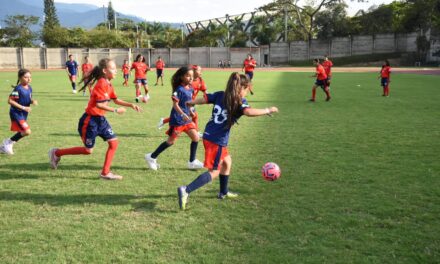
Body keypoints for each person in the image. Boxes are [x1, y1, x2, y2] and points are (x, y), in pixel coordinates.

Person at [177, 72, 279, 210]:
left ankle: (223, 192)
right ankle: (186, 190)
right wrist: (267, 109)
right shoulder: (239, 101)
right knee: (214, 171)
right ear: (242, 88)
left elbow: (205, 99)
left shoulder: (221, 94)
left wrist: (191, 102)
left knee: (227, 161)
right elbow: (249, 112)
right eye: (247, 90)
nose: (246, 93)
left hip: (210, 135)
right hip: (216, 140)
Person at [48, 58, 142, 180]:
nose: (116, 71)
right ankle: (56, 153)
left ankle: (105, 173)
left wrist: (131, 105)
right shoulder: (101, 83)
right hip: (90, 121)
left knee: (114, 143)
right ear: (104, 70)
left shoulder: (108, 83)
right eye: (113, 68)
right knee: (88, 151)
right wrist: (115, 110)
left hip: (100, 120)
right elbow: (99, 104)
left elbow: (116, 100)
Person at [145, 66, 203, 171]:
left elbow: (189, 103)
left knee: (196, 137)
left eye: (192, 76)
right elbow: (175, 105)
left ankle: (192, 162)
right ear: (181, 77)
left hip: (187, 120)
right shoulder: (179, 89)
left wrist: (191, 111)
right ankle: (151, 157)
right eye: (187, 76)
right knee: (170, 142)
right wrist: (182, 114)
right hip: (178, 120)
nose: (190, 78)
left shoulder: (190, 88)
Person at [157, 65, 207, 137]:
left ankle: (165, 122)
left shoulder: (200, 80)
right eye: (199, 70)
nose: (201, 72)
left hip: (191, 103)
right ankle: (194, 132)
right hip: (183, 102)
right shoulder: (186, 82)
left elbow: (204, 90)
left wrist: (207, 97)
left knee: (190, 116)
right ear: (194, 70)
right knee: (183, 116)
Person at [0, 69, 38, 155]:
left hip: (23, 113)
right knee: (27, 131)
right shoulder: (18, 88)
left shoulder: (29, 88)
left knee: (24, 131)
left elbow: (27, 98)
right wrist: (24, 107)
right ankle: (8, 142)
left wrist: (32, 101)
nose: (29, 79)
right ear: (20, 78)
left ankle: (5, 145)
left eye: (30, 77)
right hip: (16, 113)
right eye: (26, 77)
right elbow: (10, 101)